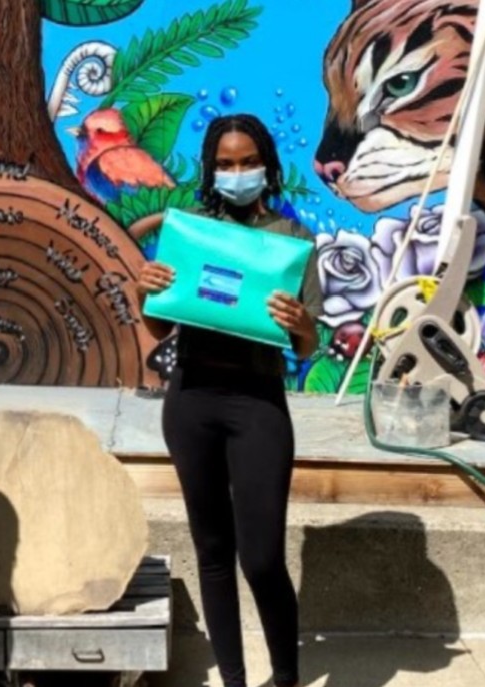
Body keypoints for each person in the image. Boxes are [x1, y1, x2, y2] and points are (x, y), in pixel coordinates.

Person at [132, 114, 323, 687]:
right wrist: (149, 290)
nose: (237, 173)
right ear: (211, 171)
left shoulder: (292, 241)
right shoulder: (191, 233)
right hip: (190, 400)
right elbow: (159, 328)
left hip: (257, 405)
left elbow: (306, 344)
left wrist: (300, 320)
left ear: (266, 165)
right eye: (225, 164)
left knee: (261, 557)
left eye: (247, 162)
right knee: (212, 551)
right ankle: (236, 680)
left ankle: (284, 677)